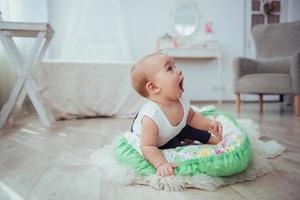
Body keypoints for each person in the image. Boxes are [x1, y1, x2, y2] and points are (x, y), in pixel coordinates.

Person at [130, 53, 222, 177]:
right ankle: (178, 138)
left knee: (188, 127)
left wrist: (209, 124)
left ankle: (211, 138)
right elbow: (148, 146)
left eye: (175, 66)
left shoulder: (181, 100)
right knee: (172, 145)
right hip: (154, 140)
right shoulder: (151, 118)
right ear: (154, 87)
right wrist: (161, 164)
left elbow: (192, 117)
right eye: (169, 68)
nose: (178, 71)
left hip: (171, 129)